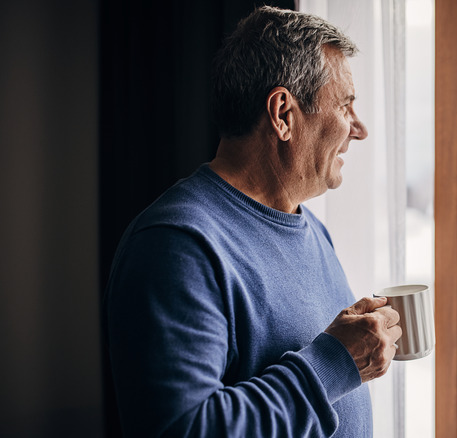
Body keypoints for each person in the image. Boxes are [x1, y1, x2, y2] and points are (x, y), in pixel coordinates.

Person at [105, 6, 402, 437]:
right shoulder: (177, 246)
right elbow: (184, 429)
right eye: (345, 106)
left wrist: (354, 351)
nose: (359, 129)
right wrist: (336, 362)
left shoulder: (313, 229)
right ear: (283, 113)